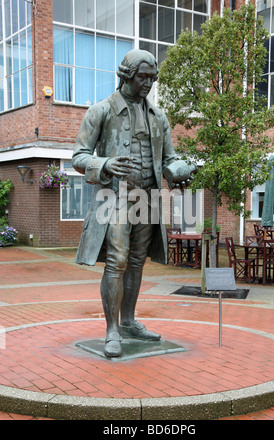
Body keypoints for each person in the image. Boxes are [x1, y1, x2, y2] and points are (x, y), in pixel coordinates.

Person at [72, 49, 193, 357]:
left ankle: (128, 322)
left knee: (137, 261)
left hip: (148, 196)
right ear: (125, 75)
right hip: (114, 196)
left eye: (153, 78)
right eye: (143, 77)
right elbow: (78, 157)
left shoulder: (158, 116)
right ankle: (112, 330)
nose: (148, 84)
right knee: (117, 260)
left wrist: (180, 171)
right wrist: (106, 164)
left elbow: (169, 159)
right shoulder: (101, 111)